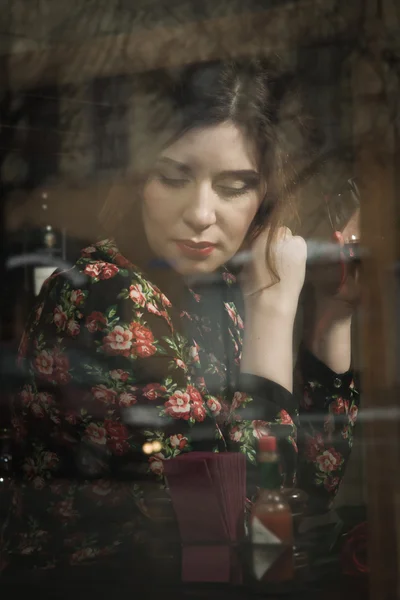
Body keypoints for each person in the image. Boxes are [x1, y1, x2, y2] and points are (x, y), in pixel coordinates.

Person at [0, 58, 359, 583]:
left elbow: (307, 491)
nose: (201, 213)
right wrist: (274, 309)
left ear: (263, 202)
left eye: (234, 187)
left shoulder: (212, 294)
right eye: (172, 177)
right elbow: (241, 516)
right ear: (134, 181)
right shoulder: (109, 293)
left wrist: (333, 317)